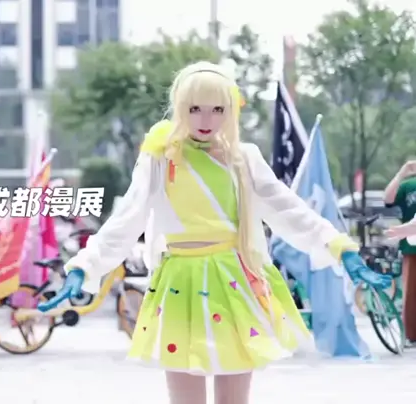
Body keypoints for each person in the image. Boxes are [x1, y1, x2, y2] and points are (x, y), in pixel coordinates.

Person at [37, 62, 391, 404]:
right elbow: (127, 218)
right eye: (195, 109)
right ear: (180, 108)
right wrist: (84, 266)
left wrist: (340, 247)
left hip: (234, 278)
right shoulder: (161, 158)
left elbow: (288, 209)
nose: (206, 120)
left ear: (230, 111)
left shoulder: (244, 158)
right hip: (180, 282)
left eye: (217, 109)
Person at [383, 161, 416, 344]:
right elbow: (388, 199)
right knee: (411, 295)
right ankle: (412, 335)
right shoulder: (409, 186)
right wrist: (401, 173)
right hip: (412, 246)